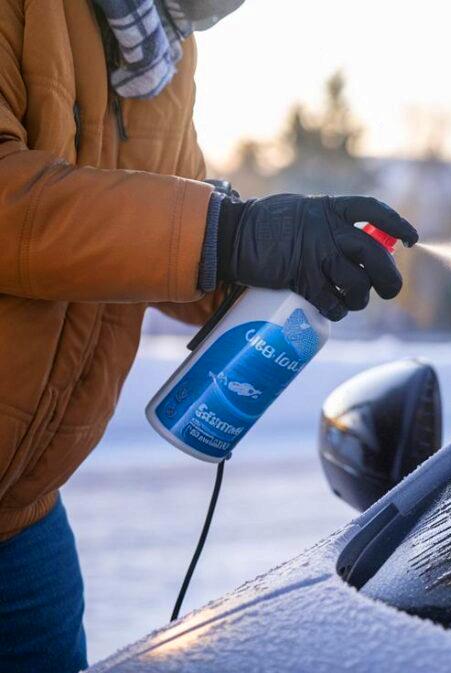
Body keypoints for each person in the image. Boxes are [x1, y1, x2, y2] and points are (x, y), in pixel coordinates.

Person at [0, 1, 417, 670]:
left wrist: (278, 263)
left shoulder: (164, 54)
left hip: (22, 512)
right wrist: (231, 235)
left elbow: (171, 239)